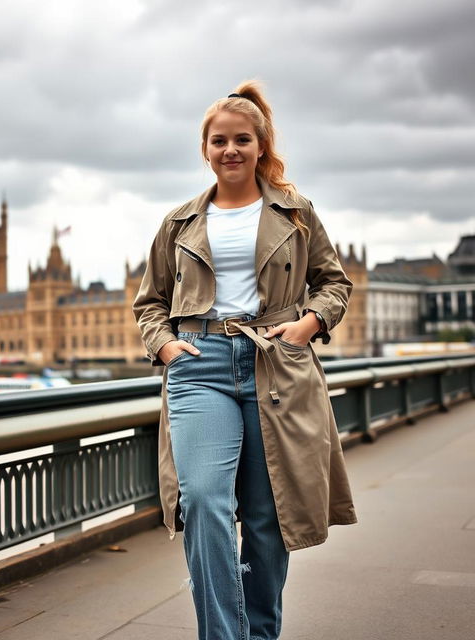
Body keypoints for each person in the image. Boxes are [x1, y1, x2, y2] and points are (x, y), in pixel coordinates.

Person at [132, 80, 358, 640]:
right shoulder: (178, 223)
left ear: (261, 146)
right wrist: (163, 345)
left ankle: (259, 634)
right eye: (218, 142)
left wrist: (306, 326)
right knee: (204, 502)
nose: (229, 150)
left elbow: (334, 284)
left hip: (274, 362)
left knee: (265, 518)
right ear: (204, 150)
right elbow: (148, 304)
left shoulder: (296, 210)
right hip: (199, 363)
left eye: (241, 140)